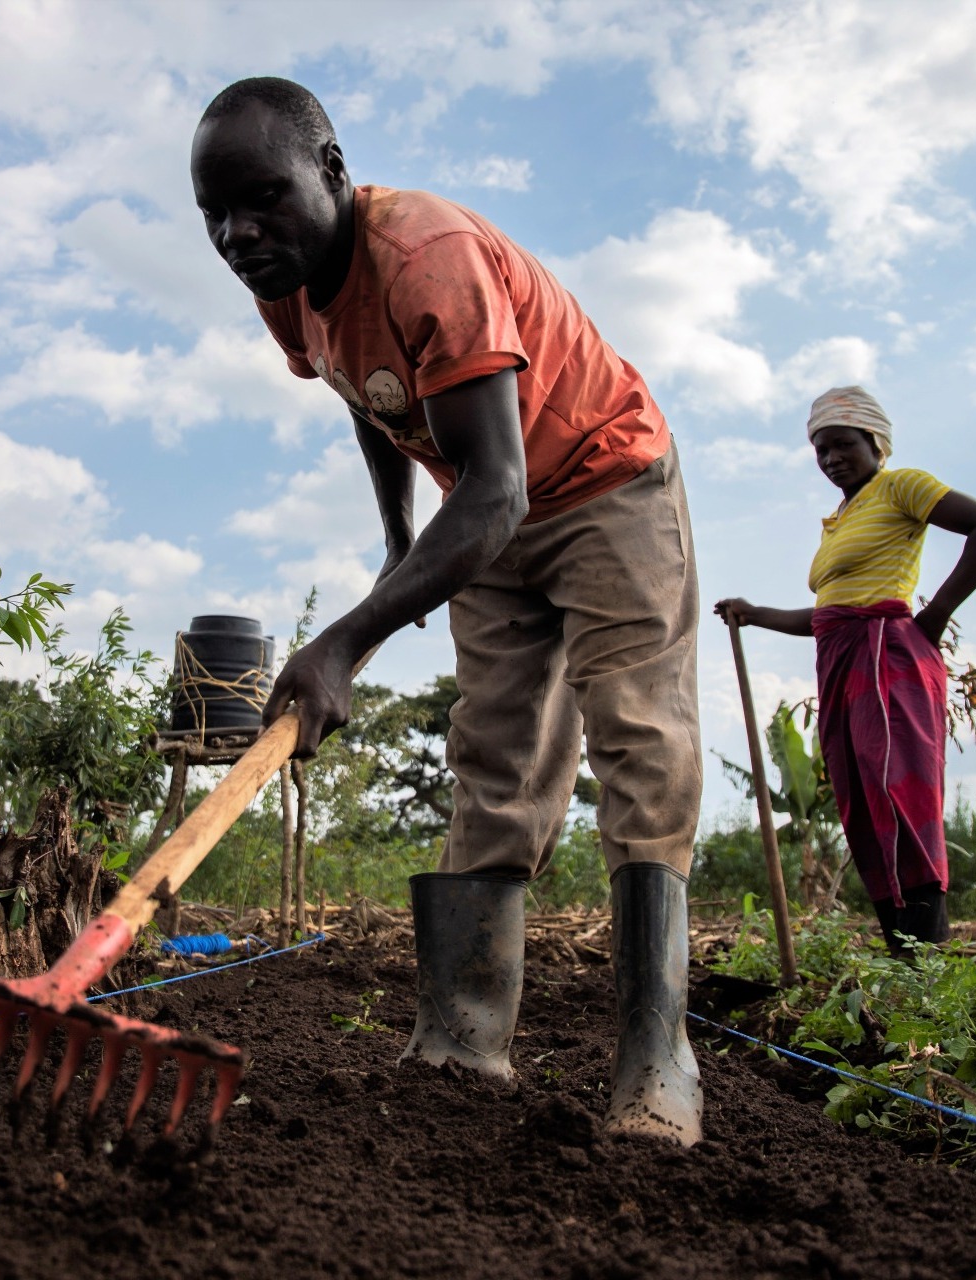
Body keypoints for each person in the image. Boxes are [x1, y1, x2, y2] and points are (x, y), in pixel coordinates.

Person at [191, 78, 703, 1145]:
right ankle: (462, 1039)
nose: (239, 233)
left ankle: (658, 1059)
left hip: (599, 479)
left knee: (636, 737)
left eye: (262, 198)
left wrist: (347, 637)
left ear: (331, 171)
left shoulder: (429, 257)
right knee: (496, 755)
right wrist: (393, 544)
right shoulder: (284, 281)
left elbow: (500, 486)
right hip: (482, 506)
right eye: (215, 214)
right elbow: (365, 391)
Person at [715, 387, 976, 956]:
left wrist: (933, 616)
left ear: (875, 442)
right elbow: (829, 615)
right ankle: (906, 959)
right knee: (861, 800)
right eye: (820, 450)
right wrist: (755, 615)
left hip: (888, 656)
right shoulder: (840, 519)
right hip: (841, 657)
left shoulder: (902, 486)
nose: (830, 459)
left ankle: (929, 964)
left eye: (842, 444)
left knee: (899, 794)